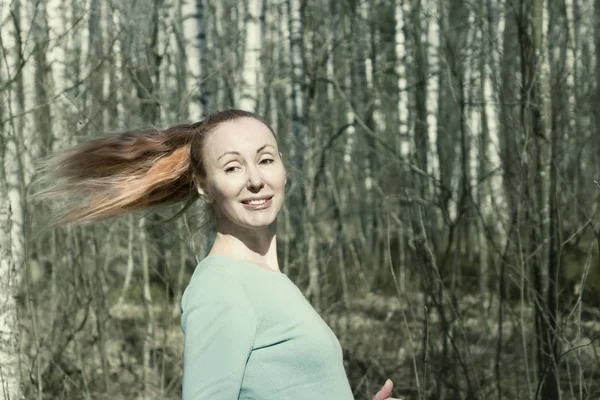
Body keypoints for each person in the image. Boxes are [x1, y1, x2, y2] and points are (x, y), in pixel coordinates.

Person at [41, 109, 400, 400]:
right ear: (204, 185)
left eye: (265, 159)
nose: (255, 179)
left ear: (283, 170)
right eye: (232, 167)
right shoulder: (221, 287)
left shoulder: (267, 280)